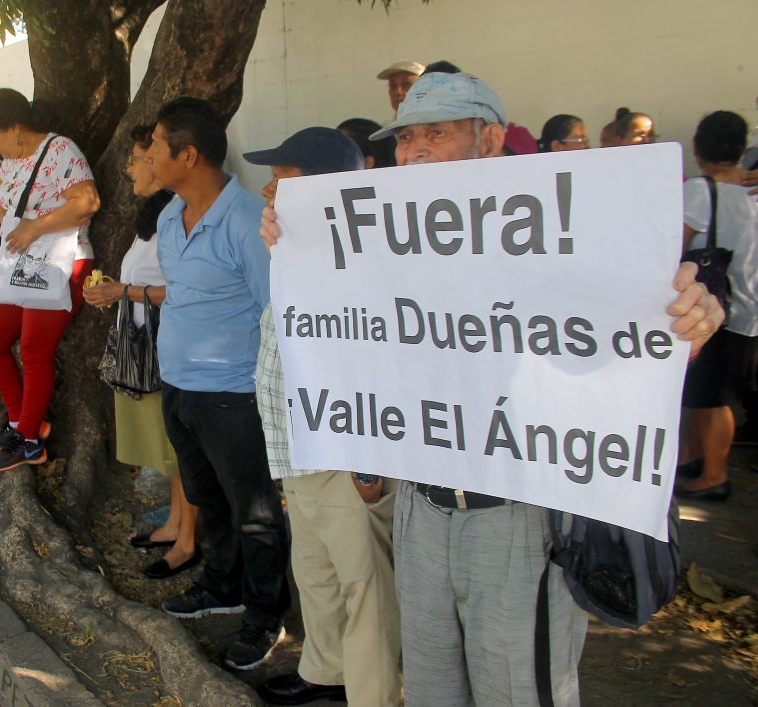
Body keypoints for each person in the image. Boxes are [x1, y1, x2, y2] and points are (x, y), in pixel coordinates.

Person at [260, 71, 724, 707]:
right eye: (406, 138)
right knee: (432, 688)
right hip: (421, 507)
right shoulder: (384, 239)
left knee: (516, 689)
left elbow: (625, 329)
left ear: (491, 140)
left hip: (516, 516)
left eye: (438, 134)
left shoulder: (557, 231)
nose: (416, 151)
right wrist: (298, 243)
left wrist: (688, 324)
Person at [244, 127, 401, 706]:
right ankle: (328, 676)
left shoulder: (368, 259)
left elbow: (376, 366)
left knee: (366, 589)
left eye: (282, 180)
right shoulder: (297, 248)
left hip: (344, 457)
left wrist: (368, 467)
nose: (268, 190)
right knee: (316, 573)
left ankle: (372, 696)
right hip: (298, 450)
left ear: (324, 189)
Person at [145, 97, 289, 671]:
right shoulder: (168, 216)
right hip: (178, 386)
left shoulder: (247, 222)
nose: (149, 156)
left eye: (157, 146)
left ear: (188, 155)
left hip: (234, 394)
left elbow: (276, 312)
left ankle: (265, 614)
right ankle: (223, 584)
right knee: (208, 498)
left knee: (255, 511)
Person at [83, 124, 199, 580]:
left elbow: (186, 290)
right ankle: (175, 524)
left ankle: (189, 541)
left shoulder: (181, 215)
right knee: (167, 445)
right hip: (146, 343)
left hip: (169, 346)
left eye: (138, 158)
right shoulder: (157, 215)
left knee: (179, 446)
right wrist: (115, 291)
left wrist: (122, 291)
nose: (131, 168)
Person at [0, 88, 99, 471]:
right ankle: (20, 421)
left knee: (34, 350)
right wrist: (5, 214)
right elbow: (1, 195)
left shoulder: (60, 151)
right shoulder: (11, 160)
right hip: (21, 265)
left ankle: (28, 441)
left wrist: (34, 228)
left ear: (15, 127)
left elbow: (87, 202)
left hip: (63, 263)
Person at [676, 110, 758, 502]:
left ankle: (714, 476)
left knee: (712, 398)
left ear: (698, 147)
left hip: (712, 306)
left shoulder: (700, 190)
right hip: (746, 306)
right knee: (706, 392)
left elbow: (677, 245)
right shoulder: (751, 188)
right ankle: (693, 457)